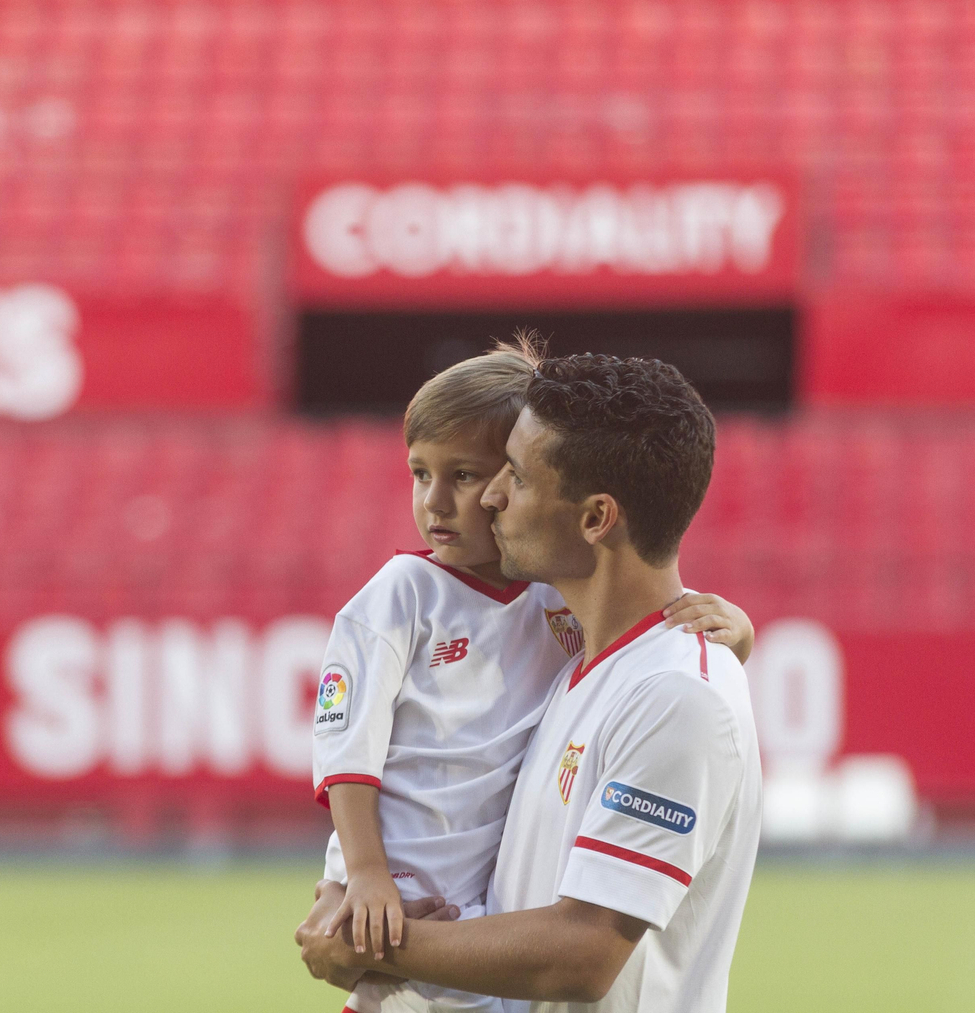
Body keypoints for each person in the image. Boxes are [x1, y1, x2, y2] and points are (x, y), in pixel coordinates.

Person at [299, 352, 762, 1013]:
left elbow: (581, 957)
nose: (488, 497)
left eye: (511, 476)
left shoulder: (676, 696)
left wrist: (366, 946)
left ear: (596, 518)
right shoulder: (573, 660)